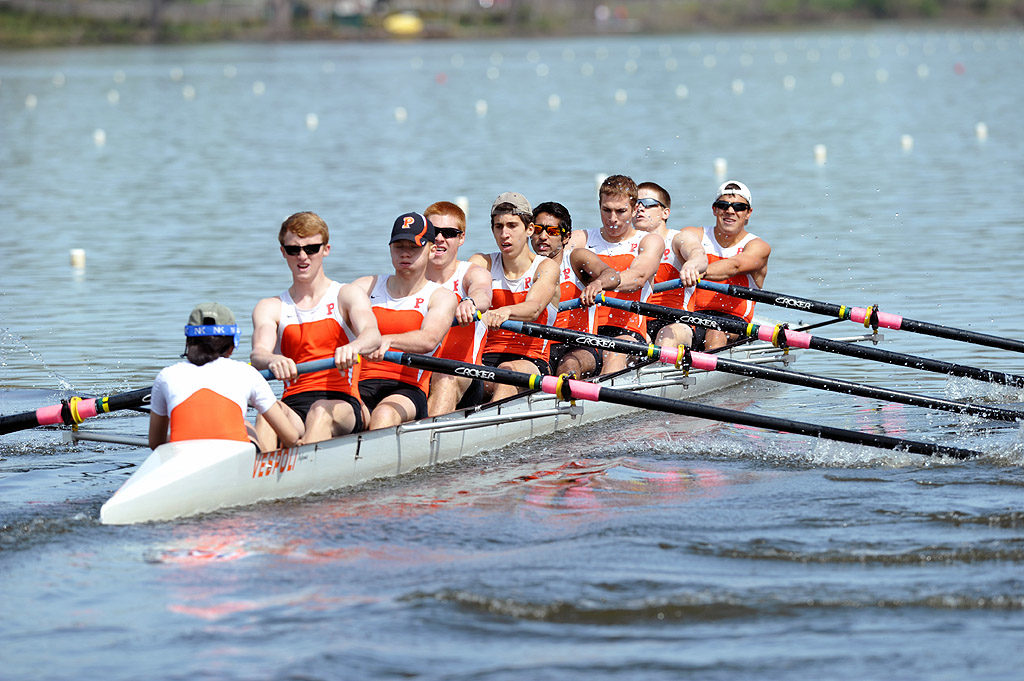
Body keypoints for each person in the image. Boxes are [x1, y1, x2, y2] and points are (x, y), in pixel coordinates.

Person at [251, 211, 380, 448]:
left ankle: (301, 470)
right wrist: (272, 359)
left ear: (326, 249)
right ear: (283, 252)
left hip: (343, 405)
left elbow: (372, 336)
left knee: (320, 411)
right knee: (266, 412)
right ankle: (262, 477)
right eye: (294, 249)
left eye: (311, 249)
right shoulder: (270, 307)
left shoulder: (347, 295)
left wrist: (354, 347)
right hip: (293, 405)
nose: (303, 256)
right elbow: (258, 354)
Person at [352, 212, 458, 428]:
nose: (405, 254)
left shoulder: (440, 296)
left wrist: (386, 341)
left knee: (382, 415)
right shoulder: (365, 287)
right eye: (399, 246)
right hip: (357, 384)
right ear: (390, 248)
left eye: (414, 247)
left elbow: (428, 339)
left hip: (406, 389)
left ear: (430, 249)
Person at [150, 303, 300, 452]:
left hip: (184, 461)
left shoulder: (166, 375)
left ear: (188, 342)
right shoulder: (246, 373)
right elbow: (291, 437)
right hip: (236, 463)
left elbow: (155, 443)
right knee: (245, 425)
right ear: (232, 345)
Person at [565, 174, 664, 375]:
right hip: (584, 333)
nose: (612, 219)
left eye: (621, 211)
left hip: (628, 333)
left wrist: (601, 283)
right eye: (606, 210)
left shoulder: (648, 241)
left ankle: (598, 400)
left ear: (635, 210)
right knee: (569, 363)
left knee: (614, 353)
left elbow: (637, 277)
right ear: (599, 205)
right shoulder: (580, 239)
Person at [470, 192, 561, 402]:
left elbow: (534, 308)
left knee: (507, 371)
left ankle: (490, 430)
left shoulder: (546, 267)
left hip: (531, 361)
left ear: (529, 229)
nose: (504, 234)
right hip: (484, 359)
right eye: (498, 226)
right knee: (447, 377)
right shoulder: (481, 263)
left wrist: (505, 311)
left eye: (512, 226)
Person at [530, 201, 620, 378]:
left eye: (552, 231)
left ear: (565, 237)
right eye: (538, 229)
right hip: (539, 349)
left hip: (579, 345)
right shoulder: (524, 267)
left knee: (569, 364)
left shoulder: (575, 259)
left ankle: (567, 395)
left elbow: (612, 275)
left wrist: (597, 284)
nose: (543, 236)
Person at [424, 201, 492, 415]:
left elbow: (482, 293)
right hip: (417, 371)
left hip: (464, 373)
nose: (439, 239)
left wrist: (470, 302)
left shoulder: (471, 273)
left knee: (444, 378)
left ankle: (425, 441)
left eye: (449, 233)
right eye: (433, 231)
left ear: (461, 238)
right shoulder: (410, 277)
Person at [686, 180, 771, 350]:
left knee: (716, 331)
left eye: (739, 207)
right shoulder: (693, 235)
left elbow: (734, 266)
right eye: (723, 205)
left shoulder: (758, 246)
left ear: (748, 213)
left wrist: (696, 272)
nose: (730, 211)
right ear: (715, 209)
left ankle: (708, 373)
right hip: (692, 316)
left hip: (734, 322)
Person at [633, 181, 708, 348]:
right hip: (636, 323)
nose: (639, 208)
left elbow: (698, 254)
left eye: (647, 204)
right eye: (634, 203)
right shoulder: (625, 244)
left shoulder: (677, 239)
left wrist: (691, 265)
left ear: (665, 213)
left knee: (665, 336)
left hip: (676, 322)